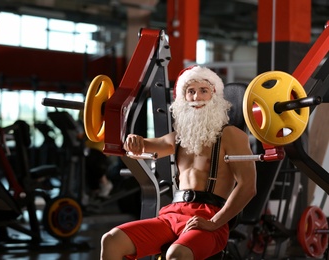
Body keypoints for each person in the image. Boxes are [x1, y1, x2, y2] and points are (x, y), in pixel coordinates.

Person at [100, 65, 257, 260]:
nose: (196, 97)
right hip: (172, 214)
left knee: (176, 254)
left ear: (215, 96)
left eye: (203, 91)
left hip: (208, 217)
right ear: (183, 98)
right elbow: (146, 145)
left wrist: (215, 222)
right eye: (190, 91)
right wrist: (133, 140)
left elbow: (248, 186)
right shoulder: (181, 137)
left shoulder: (232, 135)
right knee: (112, 240)